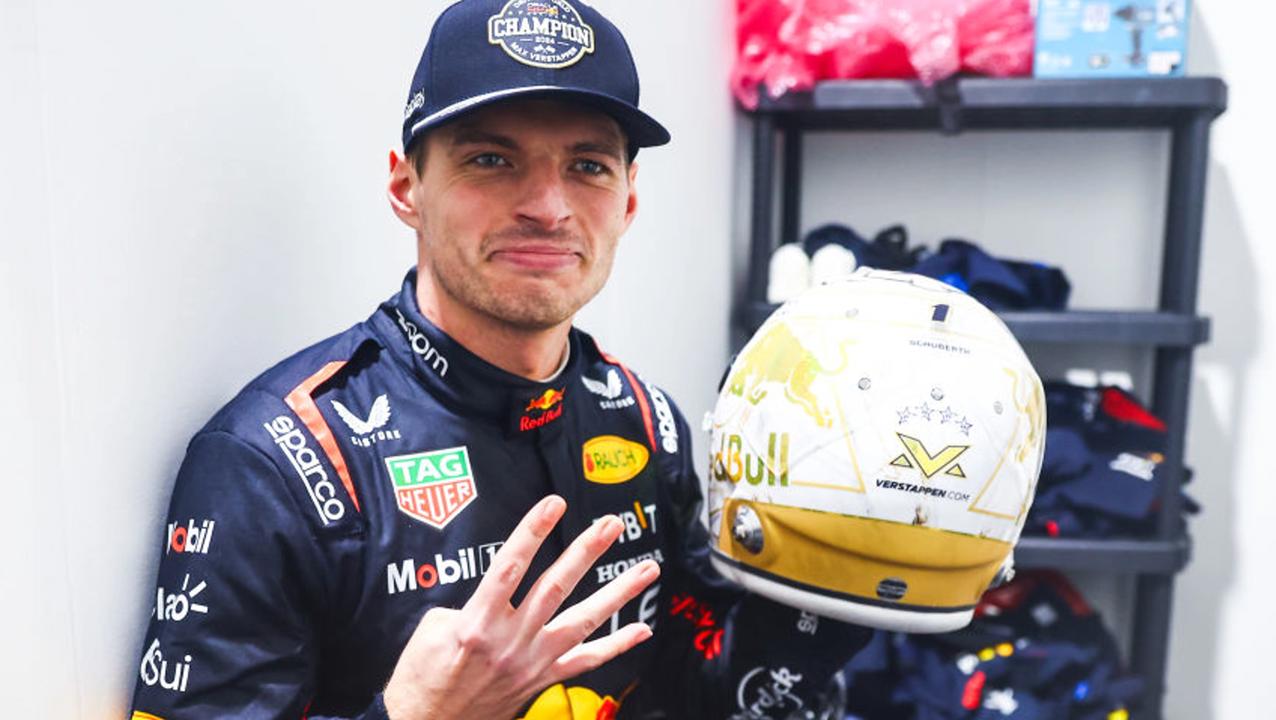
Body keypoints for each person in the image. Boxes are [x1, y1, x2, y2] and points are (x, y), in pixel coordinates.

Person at [130, 1, 869, 718]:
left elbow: (701, 685)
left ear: (629, 202)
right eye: (490, 158)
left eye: (588, 165)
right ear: (405, 188)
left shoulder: (647, 419)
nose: (548, 206)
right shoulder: (275, 462)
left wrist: (840, 587)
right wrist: (415, 715)